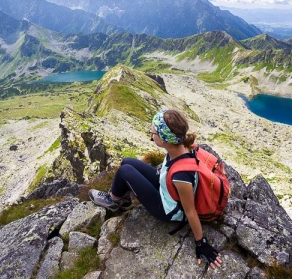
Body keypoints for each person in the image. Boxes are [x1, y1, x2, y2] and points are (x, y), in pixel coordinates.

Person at [89, 109, 222, 269]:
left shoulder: (181, 175)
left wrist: (201, 243)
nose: (151, 135)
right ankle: (119, 195)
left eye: (153, 133)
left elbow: (190, 211)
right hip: (167, 187)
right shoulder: (183, 146)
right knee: (127, 162)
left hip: (167, 209)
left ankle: (113, 201)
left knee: (125, 171)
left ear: (165, 139)